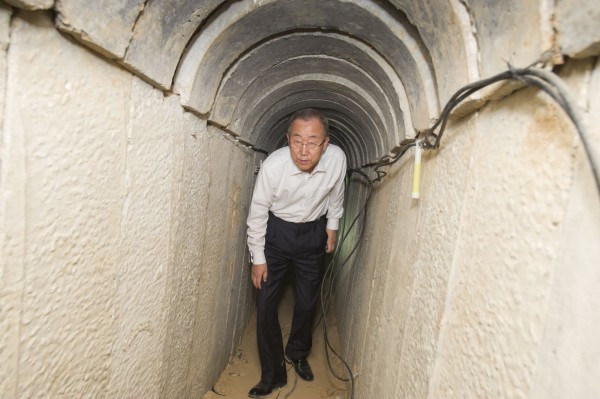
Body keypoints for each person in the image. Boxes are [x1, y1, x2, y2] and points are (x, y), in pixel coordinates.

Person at [246, 108, 347, 398]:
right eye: (296, 141)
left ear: (325, 143)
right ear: (287, 139)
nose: (303, 150)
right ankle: (272, 373)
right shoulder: (273, 167)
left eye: (312, 142)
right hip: (275, 234)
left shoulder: (337, 159)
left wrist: (332, 227)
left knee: (307, 301)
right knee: (265, 303)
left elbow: (336, 194)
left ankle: (298, 352)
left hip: (312, 233)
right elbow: (257, 213)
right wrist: (258, 258)